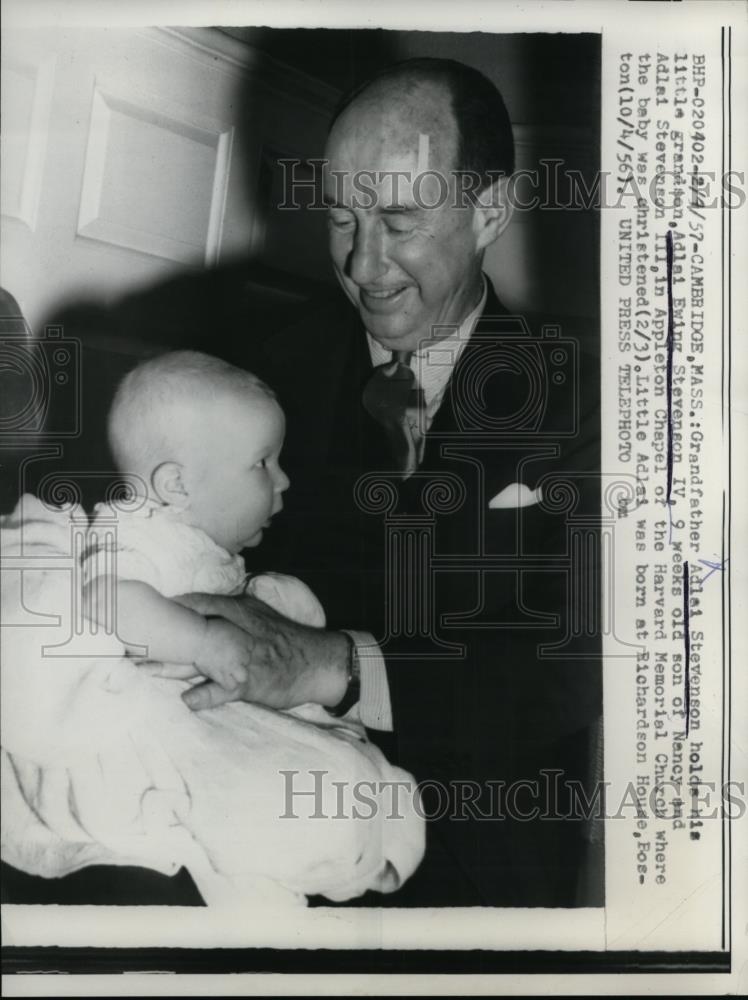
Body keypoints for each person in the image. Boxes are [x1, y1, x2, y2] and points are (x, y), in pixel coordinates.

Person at [178, 58, 604, 907]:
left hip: (474, 843)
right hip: (246, 802)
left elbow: (581, 663)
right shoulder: (258, 366)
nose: (363, 266)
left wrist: (333, 665)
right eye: (341, 219)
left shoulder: (594, 401)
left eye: (400, 222)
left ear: (490, 211)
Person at [0, 351, 424, 906]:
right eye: (263, 463)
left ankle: (366, 838)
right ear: (176, 485)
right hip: (150, 727)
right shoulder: (136, 534)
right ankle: (344, 852)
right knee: (291, 796)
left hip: (211, 711)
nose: (284, 479)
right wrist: (202, 639)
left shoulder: (191, 540)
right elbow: (107, 599)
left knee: (352, 776)